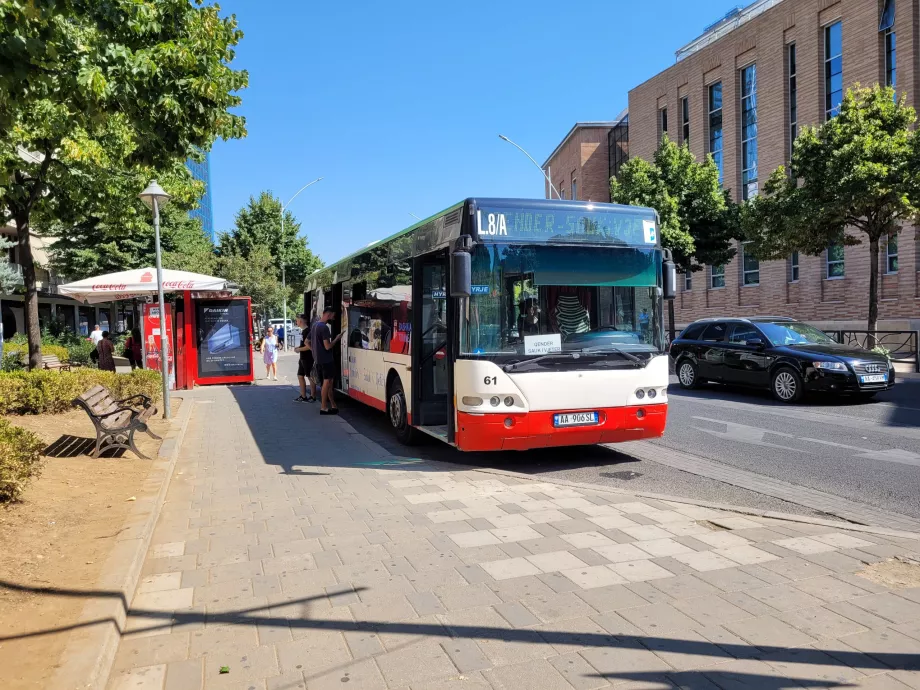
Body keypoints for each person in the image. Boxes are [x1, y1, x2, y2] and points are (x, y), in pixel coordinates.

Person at [311, 306, 343, 415]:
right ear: (328, 314)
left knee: (328, 382)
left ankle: (332, 405)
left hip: (319, 359)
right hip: (326, 359)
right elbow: (328, 346)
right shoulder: (324, 328)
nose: (334, 317)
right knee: (327, 382)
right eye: (333, 315)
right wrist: (337, 339)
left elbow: (308, 341)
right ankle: (323, 407)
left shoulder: (315, 325)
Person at [293, 314, 317, 403]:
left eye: (297, 320)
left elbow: (309, 346)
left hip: (308, 357)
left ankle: (313, 396)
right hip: (302, 357)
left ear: (301, 321)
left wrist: (299, 349)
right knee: (300, 375)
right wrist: (298, 347)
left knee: (310, 377)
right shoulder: (303, 331)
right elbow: (303, 345)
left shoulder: (308, 331)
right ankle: (303, 396)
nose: (296, 322)